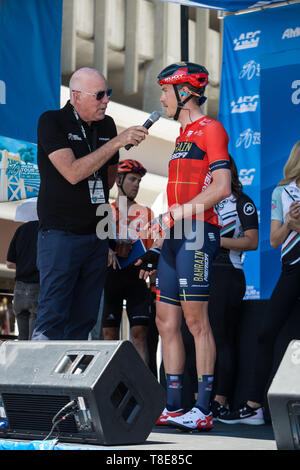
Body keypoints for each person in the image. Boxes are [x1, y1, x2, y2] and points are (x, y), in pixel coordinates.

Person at [138, 62, 231, 431]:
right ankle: (174, 405)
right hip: (176, 237)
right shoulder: (181, 135)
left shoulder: (211, 129)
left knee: (196, 322)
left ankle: (203, 409)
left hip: (197, 234)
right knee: (166, 322)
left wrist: (175, 212)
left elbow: (222, 187)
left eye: (165, 91)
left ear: (185, 93)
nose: (160, 97)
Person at [32, 67, 148, 341]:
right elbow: (72, 172)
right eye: (98, 95)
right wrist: (117, 142)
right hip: (60, 232)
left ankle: (72, 381)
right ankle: (40, 381)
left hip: (95, 236)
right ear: (76, 96)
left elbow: (108, 179)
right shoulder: (52, 121)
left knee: (84, 319)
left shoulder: (106, 125)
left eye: (107, 94)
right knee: (52, 315)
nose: (105, 101)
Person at [219, 141, 300, 425]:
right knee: (266, 333)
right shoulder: (283, 192)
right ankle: (254, 406)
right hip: (292, 269)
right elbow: (275, 240)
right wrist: (290, 222)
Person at [207, 155, 259, 420]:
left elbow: (252, 242)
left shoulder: (243, 202)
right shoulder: (204, 201)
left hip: (229, 274)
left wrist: (216, 240)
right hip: (202, 273)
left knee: (221, 337)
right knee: (199, 336)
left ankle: (221, 400)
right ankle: (201, 398)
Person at [102, 159, 154, 363]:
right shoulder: (106, 210)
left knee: (140, 335)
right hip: (111, 275)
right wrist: (105, 248)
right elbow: (96, 241)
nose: (136, 185)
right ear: (118, 180)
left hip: (136, 277)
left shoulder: (146, 212)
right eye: (132, 179)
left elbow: (151, 246)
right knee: (109, 337)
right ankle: (108, 389)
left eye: (139, 181)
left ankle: (142, 391)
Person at [6, 221, 39, 340]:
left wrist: (23, 265)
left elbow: (9, 264)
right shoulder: (46, 230)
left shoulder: (21, 230)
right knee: (33, 340)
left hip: (19, 288)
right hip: (38, 286)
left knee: (22, 339)